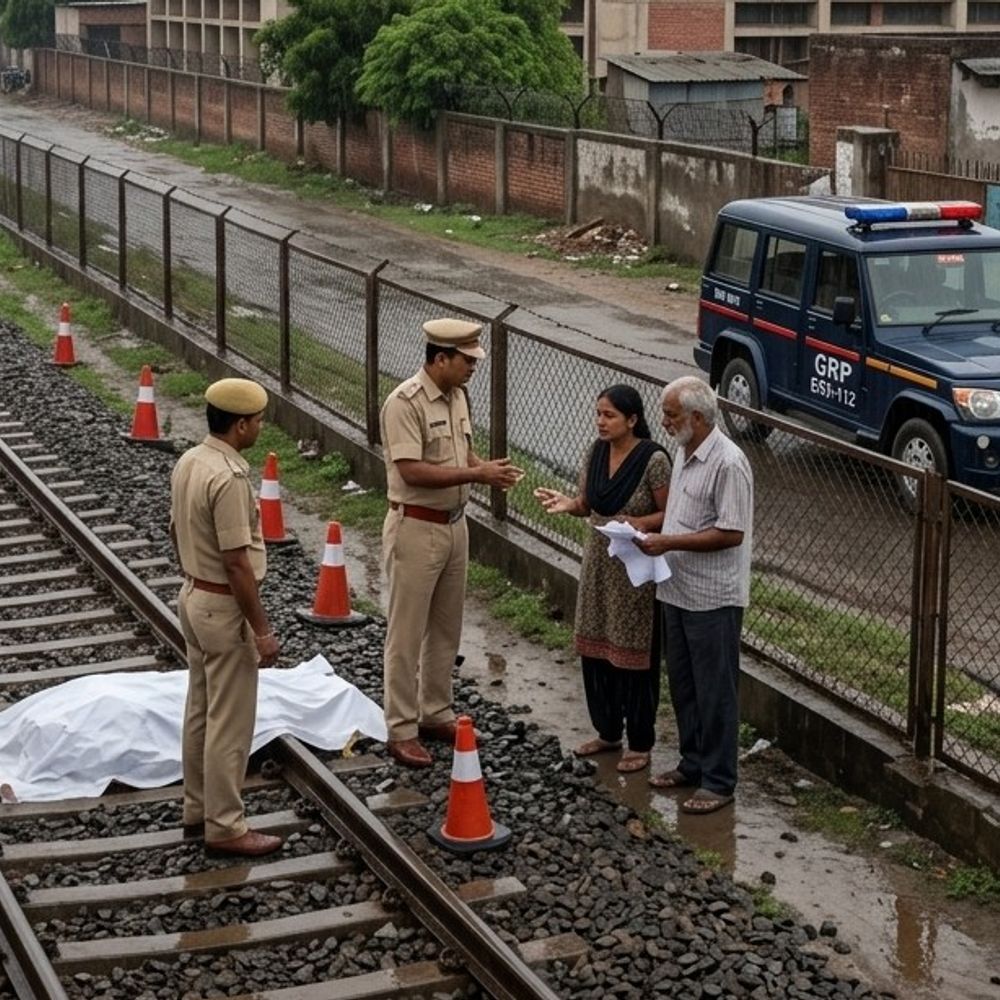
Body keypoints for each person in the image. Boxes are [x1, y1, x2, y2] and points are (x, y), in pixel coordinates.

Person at [380, 318, 522, 768]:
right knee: (406, 632)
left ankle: (434, 710)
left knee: (446, 627)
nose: (472, 368)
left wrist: (485, 468)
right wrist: (475, 474)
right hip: (416, 526)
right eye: (466, 361)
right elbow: (412, 470)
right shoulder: (405, 403)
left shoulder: (458, 396)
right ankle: (400, 727)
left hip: (454, 526)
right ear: (440, 358)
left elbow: (459, 454)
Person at [169, 377, 283, 857]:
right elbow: (237, 561)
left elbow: (175, 530)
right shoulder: (230, 479)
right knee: (230, 722)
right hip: (223, 606)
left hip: (194, 595)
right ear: (240, 425)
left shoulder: (191, 461)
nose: (259, 427)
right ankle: (226, 825)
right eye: (257, 421)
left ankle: (197, 810)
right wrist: (261, 630)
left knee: (200, 710)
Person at [535, 385, 670, 773]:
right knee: (596, 650)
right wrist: (569, 505)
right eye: (598, 414)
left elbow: (671, 513)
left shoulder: (653, 460)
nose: (601, 422)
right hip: (597, 566)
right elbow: (587, 503)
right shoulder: (595, 452)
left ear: (632, 419)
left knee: (632, 656)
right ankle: (608, 731)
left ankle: (640, 742)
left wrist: (639, 523)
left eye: (609, 415)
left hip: (634, 572)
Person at [635, 376, 753, 814]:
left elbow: (731, 532)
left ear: (697, 418)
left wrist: (670, 543)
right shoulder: (685, 452)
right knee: (684, 684)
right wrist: (647, 530)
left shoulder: (729, 463)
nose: (663, 422)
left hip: (713, 597)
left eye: (671, 415)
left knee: (715, 688)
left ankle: (719, 780)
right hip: (676, 588)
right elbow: (680, 516)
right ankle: (692, 763)